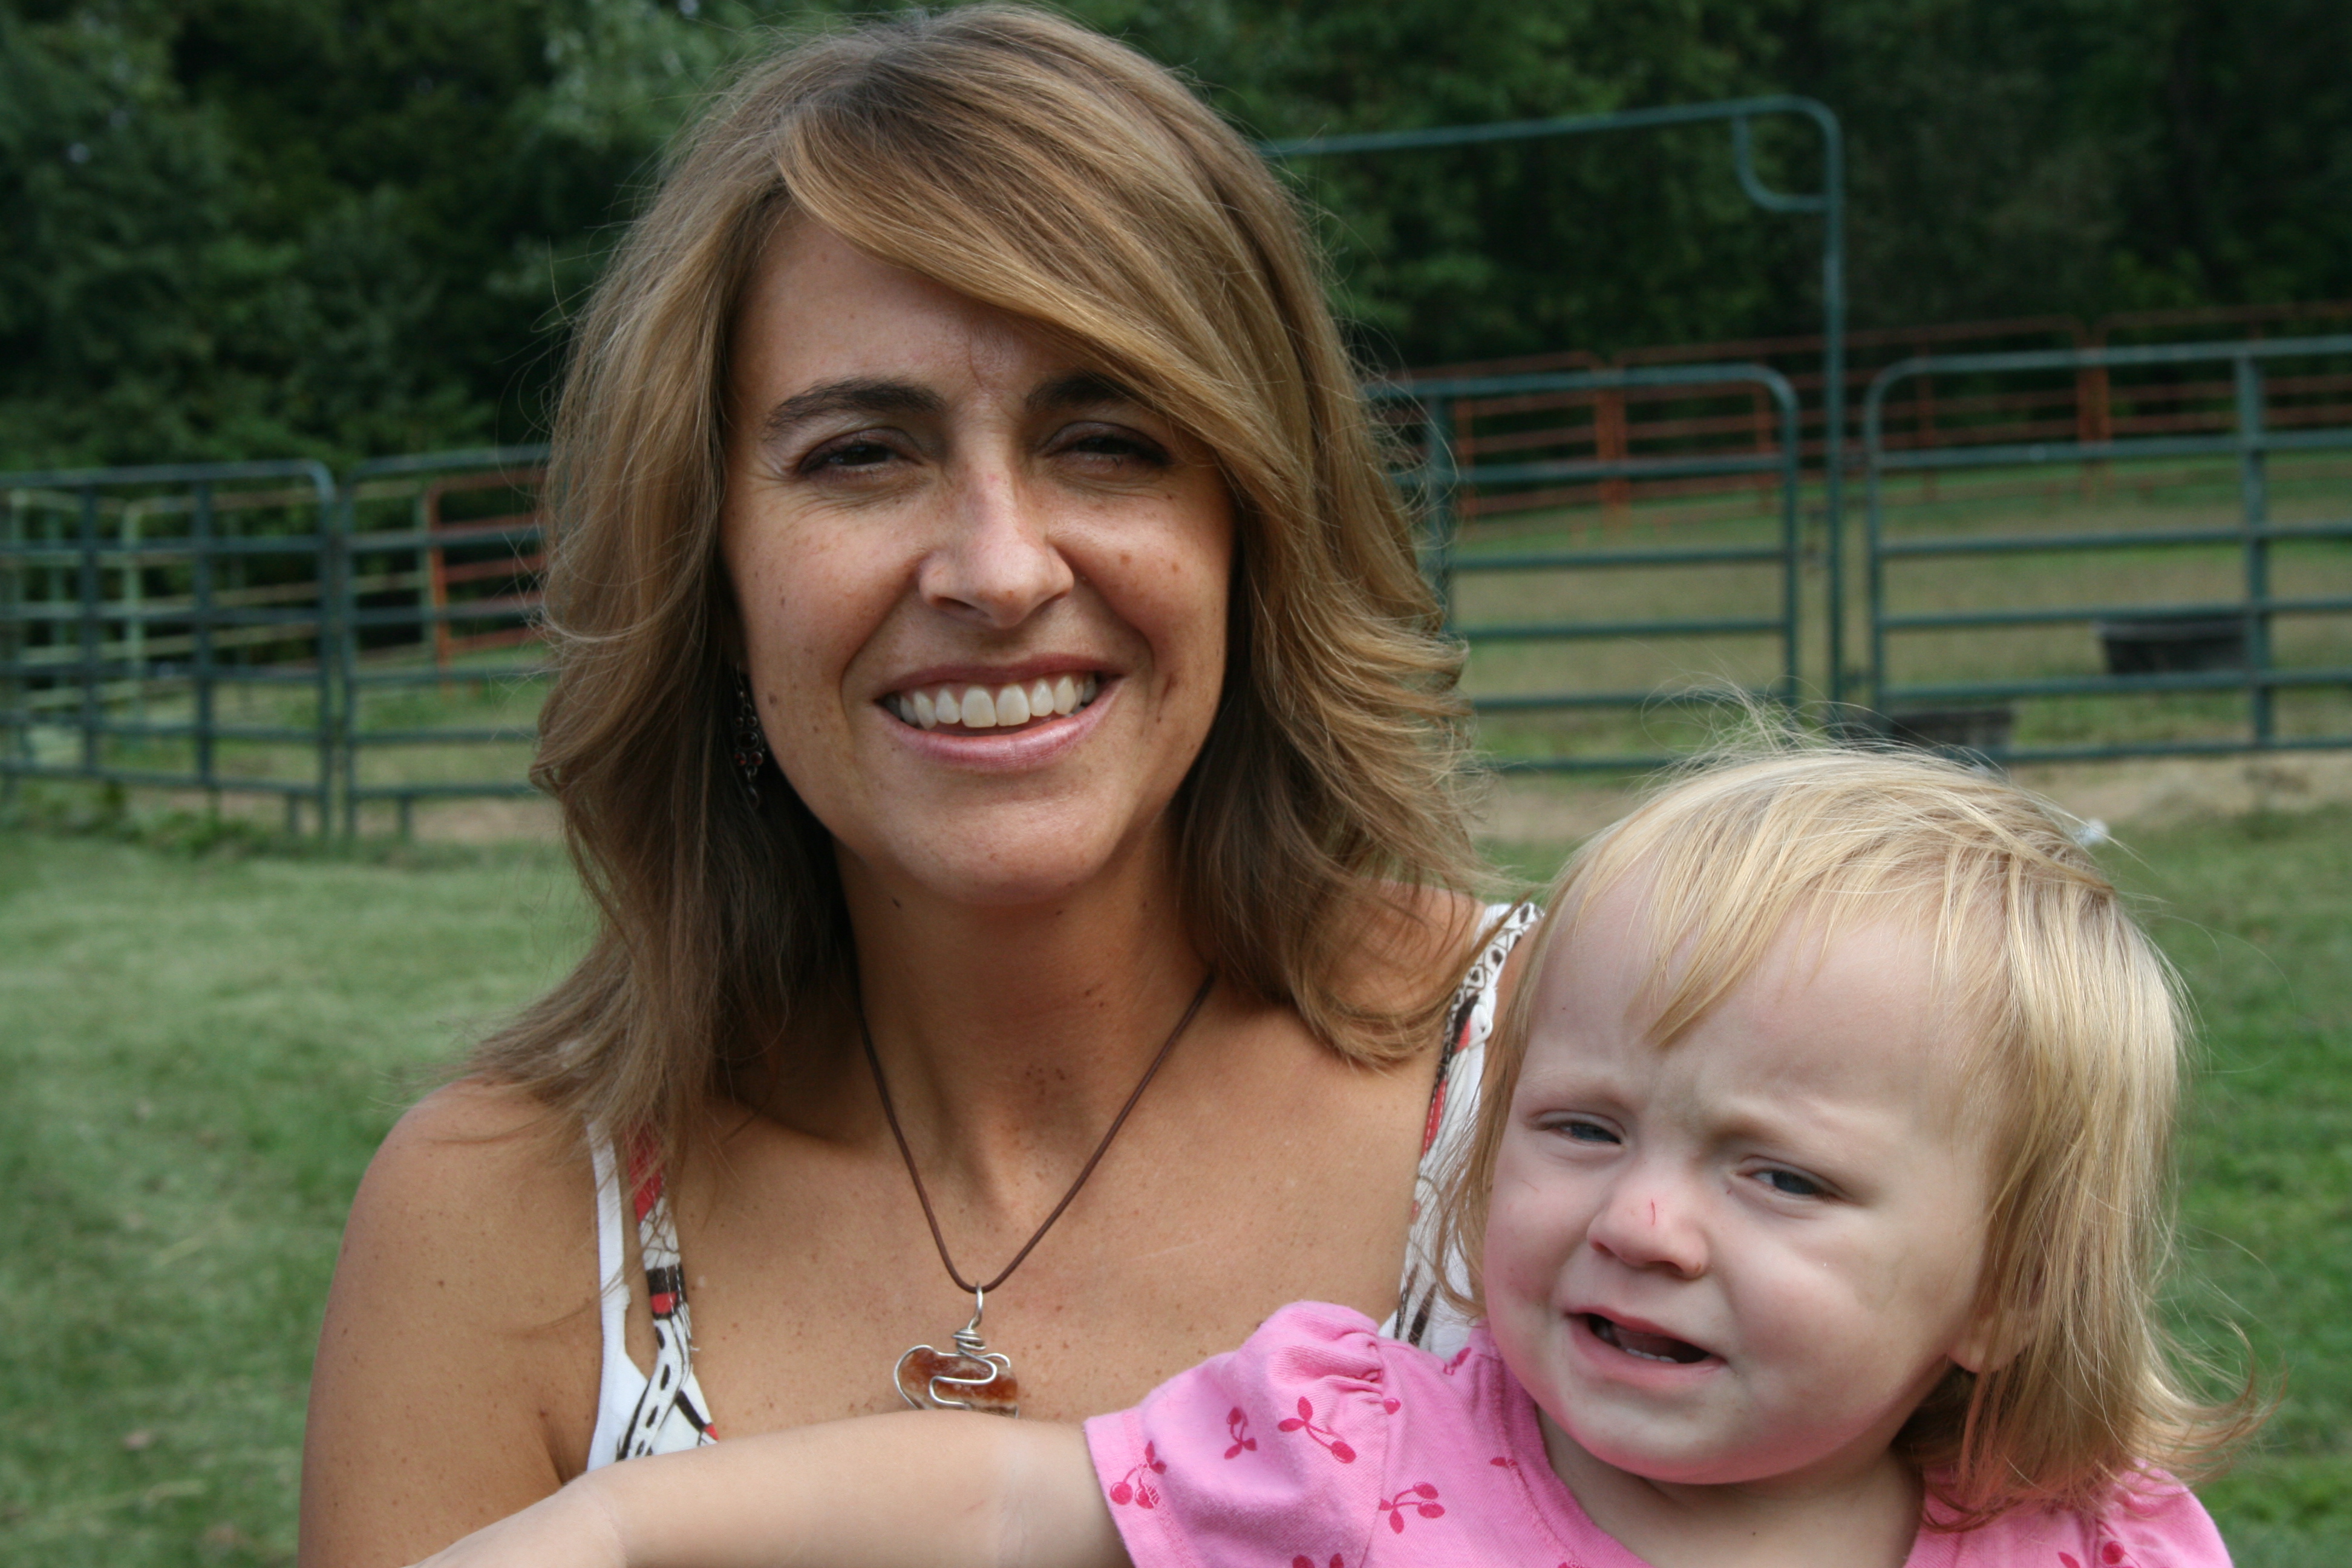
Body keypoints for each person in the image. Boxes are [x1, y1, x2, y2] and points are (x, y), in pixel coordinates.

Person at [298, 6, 1532, 1564]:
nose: (999, 571)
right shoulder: (498, 1222)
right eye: (861, 456)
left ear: (1253, 526)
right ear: (708, 567)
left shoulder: (1589, 1108)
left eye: (1108, 439)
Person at [403, 745, 2256, 1568]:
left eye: (1781, 1177)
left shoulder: (2094, 1551)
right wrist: (619, 1525)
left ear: (2008, 1290)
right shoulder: (1364, 1456)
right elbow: (995, 1505)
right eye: (1583, 1127)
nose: (1644, 1221)